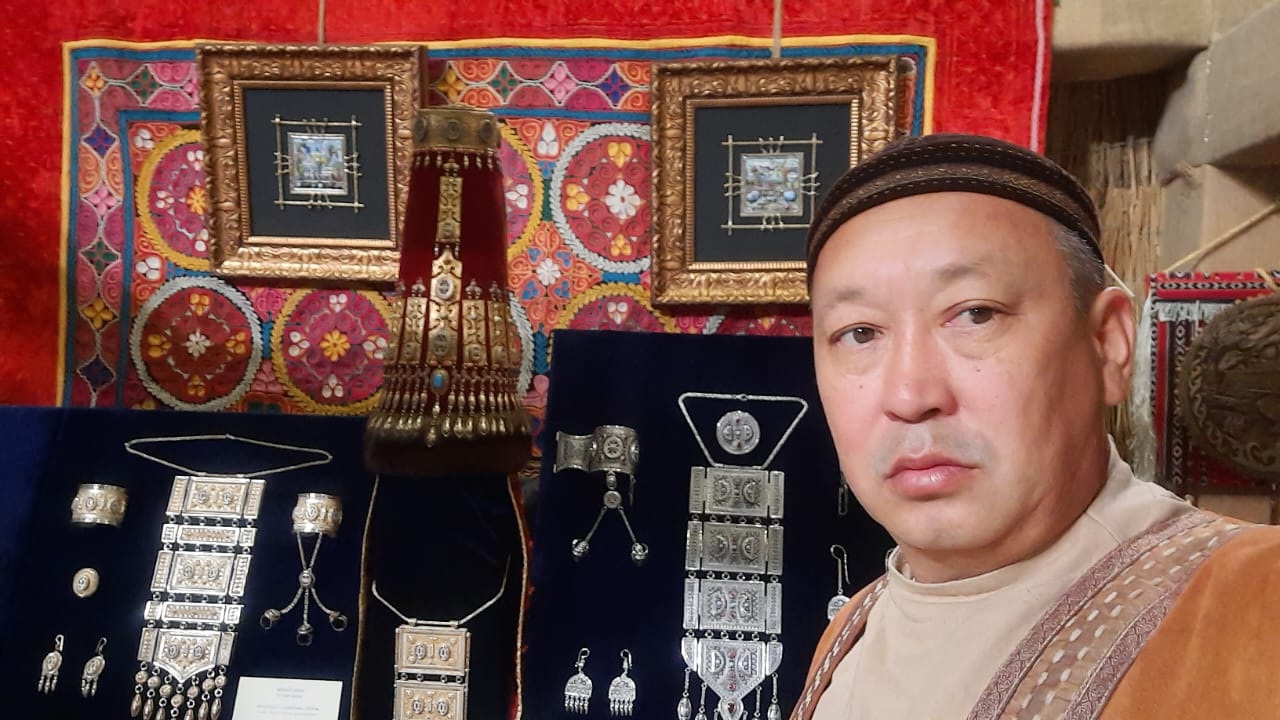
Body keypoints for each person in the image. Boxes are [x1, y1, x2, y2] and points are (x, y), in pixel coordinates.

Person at [793, 133, 1280, 720]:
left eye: (975, 314)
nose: (910, 396)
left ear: (1107, 345)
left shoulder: (1255, 600)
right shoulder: (852, 629)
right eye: (859, 333)